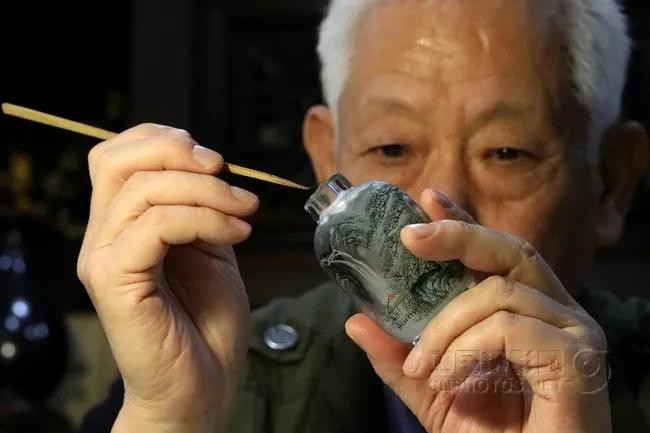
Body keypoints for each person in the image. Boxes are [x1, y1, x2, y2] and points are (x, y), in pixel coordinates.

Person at [76, 0, 650, 432]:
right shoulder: (221, 376)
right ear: (327, 159)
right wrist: (170, 417)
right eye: (392, 149)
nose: (433, 216)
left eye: (507, 152)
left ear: (612, 183)